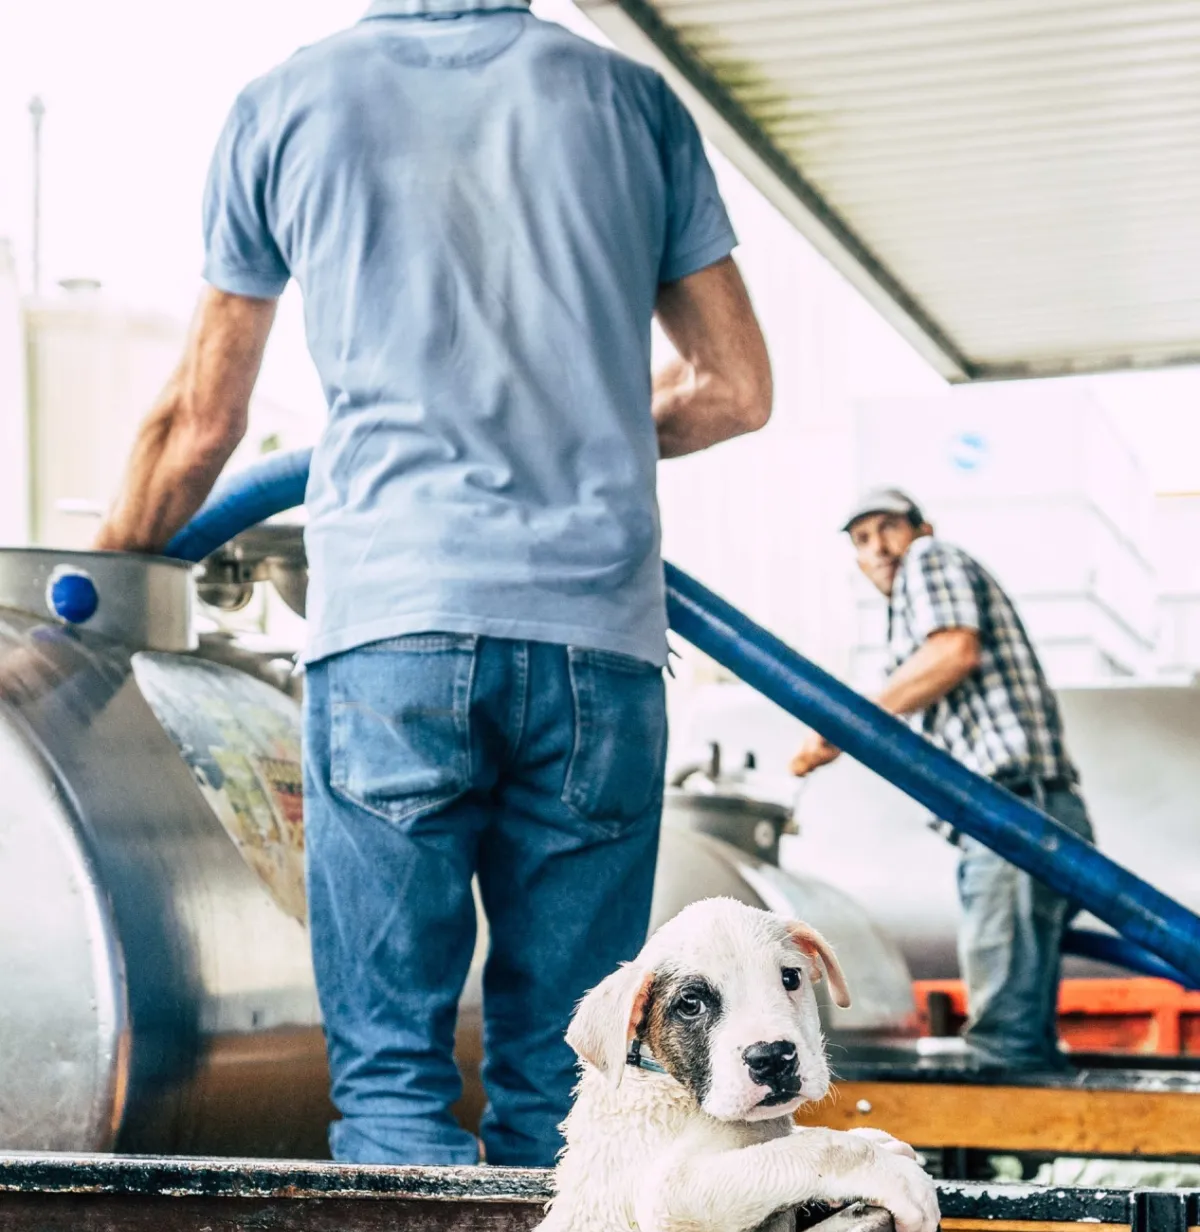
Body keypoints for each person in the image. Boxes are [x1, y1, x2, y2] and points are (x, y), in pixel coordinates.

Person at [95, 0, 772, 1168]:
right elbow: (736, 388)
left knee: (393, 1083)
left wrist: (98, 595)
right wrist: (586, 431)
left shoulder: (286, 105)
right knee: (571, 1083)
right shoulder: (632, 102)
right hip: (594, 643)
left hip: (390, 638)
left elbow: (203, 421)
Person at [789, 487, 1093, 1070]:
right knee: (1021, 1025)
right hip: (1022, 810)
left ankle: (1007, 1140)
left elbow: (954, 651)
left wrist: (847, 725)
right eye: (862, 539)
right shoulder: (904, 617)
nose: (879, 548)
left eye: (888, 529)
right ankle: (1032, 1137)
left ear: (921, 530)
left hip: (1012, 811)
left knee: (1003, 1041)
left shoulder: (929, 563)